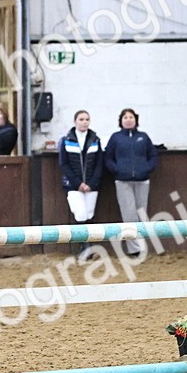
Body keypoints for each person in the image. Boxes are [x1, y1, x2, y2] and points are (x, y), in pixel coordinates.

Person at [103, 108, 159, 255]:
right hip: (123, 181)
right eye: (125, 117)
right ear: (121, 121)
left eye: (131, 117)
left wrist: (147, 169)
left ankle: (142, 248)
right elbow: (108, 158)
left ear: (136, 120)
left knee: (141, 214)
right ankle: (133, 250)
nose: (128, 119)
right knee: (129, 215)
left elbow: (153, 156)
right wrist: (117, 170)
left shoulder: (143, 137)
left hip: (142, 180)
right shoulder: (115, 138)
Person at [57, 110, 104, 260]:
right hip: (73, 185)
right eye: (81, 119)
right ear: (75, 121)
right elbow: (64, 164)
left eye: (87, 119)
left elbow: (99, 164)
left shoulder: (95, 140)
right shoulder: (66, 140)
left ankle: (89, 247)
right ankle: (84, 248)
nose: (84, 122)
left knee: (89, 215)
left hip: (91, 185)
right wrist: (78, 183)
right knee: (80, 214)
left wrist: (91, 183)